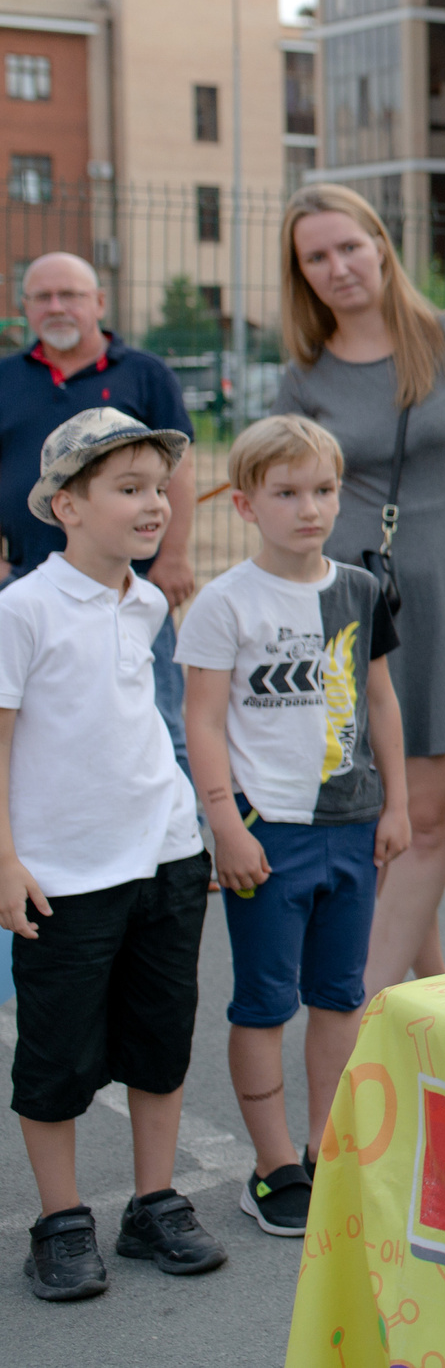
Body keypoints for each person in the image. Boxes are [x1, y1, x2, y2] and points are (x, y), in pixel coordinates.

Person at [272, 184, 445, 992]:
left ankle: (358, 1016)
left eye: (349, 246)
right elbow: (287, 495)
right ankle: (425, 1000)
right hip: (355, 613)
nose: (338, 266)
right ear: (301, 275)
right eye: (316, 257)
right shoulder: (305, 377)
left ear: (382, 245)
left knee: (425, 821)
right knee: (385, 823)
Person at [0, 409, 227, 1300]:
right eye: (127, 489)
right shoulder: (22, 608)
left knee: (161, 1039)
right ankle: (59, 1220)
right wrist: (6, 858)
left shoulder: (145, 603)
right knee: (56, 1057)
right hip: (65, 875)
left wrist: (194, 831)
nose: (155, 504)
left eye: (159, 488)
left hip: (166, 856)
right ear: (67, 506)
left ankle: (153, 1202)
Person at [178, 415, 409, 1238]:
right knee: (265, 1004)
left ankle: (323, 1147)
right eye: (286, 492)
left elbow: (380, 699)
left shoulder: (358, 588)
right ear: (243, 503)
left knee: (340, 997)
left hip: (352, 825)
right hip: (267, 833)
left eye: (323, 490)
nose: (309, 508)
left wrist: (399, 803)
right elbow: (201, 721)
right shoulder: (222, 603)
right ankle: (272, 1166)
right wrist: (225, 826)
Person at [0, 253, 198, 765]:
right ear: (24, 307)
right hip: (24, 579)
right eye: (42, 297)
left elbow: (180, 472)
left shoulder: (146, 375)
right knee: (35, 731)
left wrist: (172, 557)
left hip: (127, 586)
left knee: (157, 722)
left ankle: (176, 837)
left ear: (100, 303)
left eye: (71, 295)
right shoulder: (5, 378)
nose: (57, 306)